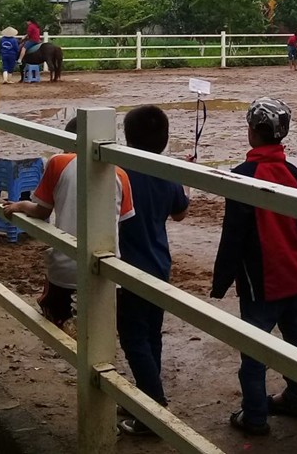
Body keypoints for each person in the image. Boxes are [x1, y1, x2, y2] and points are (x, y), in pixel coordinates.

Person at [211, 98, 297, 436]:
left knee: (253, 352)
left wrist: (221, 279)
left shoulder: (242, 176)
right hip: (295, 275)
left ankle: (254, 416)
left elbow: (233, 233)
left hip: (260, 281)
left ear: (252, 131)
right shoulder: (294, 173)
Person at [3, 116, 135, 330]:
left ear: (69, 141)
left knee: (56, 323)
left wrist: (21, 205)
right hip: (106, 271)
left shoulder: (58, 162)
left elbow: (41, 211)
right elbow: (122, 221)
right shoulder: (120, 174)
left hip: (64, 267)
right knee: (100, 329)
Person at [116, 106, 190, 437]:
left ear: (128, 137)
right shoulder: (167, 172)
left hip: (128, 268)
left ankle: (153, 406)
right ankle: (147, 395)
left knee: (133, 337)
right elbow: (180, 214)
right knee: (151, 335)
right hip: (159, 264)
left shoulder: (119, 171)